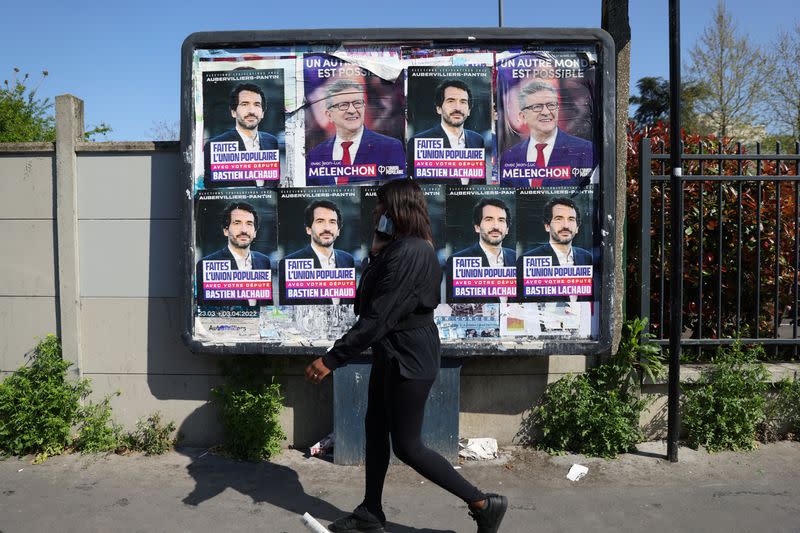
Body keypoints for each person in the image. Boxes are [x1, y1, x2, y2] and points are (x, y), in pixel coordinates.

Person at [305, 180, 507, 533]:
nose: (375, 212)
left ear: (396, 209)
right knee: (374, 428)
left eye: (381, 206)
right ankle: (370, 512)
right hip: (392, 352)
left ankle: (482, 502)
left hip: (409, 357)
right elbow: (369, 300)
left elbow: (377, 316)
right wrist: (379, 245)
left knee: (408, 446)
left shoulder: (411, 252)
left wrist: (332, 359)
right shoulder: (398, 248)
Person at [306, 79, 405, 185]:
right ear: (329, 115)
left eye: (357, 103)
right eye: (343, 105)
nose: (352, 111)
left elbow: (397, 196)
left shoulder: (390, 147)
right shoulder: (315, 155)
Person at [499, 80, 595, 188]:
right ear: (523, 117)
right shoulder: (509, 157)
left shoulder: (584, 150)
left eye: (551, 105)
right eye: (537, 107)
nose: (546, 112)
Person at [278, 200, 355, 305]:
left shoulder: (347, 260)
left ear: (338, 230)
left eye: (332, 222)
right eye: (320, 221)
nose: (327, 228)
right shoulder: (289, 263)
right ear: (308, 229)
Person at [407, 79, 485, 183]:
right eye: (450, 101)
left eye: (463, 102)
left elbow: (480, 184)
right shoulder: (417, 143)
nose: (457, 108)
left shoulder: (477, 141)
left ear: (469, 110)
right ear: (439, 108)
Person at [517, 196, 593, 302]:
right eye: (558, 219)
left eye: (571, 219)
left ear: (577, 228)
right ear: (547, 226)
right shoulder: (526, 260)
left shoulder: (586, 257)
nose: (565, 225)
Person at [203, 83, 280, 188]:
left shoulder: (271, 142)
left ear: (262, 113)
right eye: (244, 104)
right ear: (233, 112)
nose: (252, 111)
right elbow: (211, 191)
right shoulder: (214, 146)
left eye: (257, 104)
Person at [195, 202, 271, 306]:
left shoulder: (264, 261)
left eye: (249, 223)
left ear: (255, 232)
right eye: (237, 223)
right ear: (226, 230)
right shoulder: (206, 265)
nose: (244, 230)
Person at [445, 198, 516, 303]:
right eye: (489, 219)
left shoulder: (516, 258)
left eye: (501, 220)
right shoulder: (457, 262)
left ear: (507, 229)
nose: (496, 226)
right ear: (477, 227)